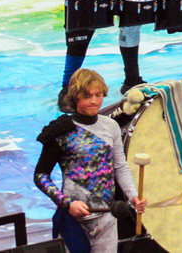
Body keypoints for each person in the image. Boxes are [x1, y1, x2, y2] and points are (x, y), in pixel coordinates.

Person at [34, 69, 147, 253]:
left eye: (98, 95)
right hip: (74, 219)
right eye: (87, 96)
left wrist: (133, 195)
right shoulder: (62, 130)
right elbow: (40, 176)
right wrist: (66, 203)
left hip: (107, 218)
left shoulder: (111, 126)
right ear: (75, 98)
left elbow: (120, 167)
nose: (94, 101)